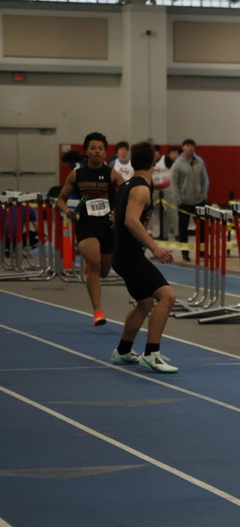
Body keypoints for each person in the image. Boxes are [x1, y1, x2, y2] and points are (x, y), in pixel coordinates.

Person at [109, 141, 178, 373]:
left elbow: (120, 216)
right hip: (129, 256)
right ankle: (151, 353)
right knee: (167, 296)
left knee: (145, 303)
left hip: (123, 254)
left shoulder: (127, 185)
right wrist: (155, 247)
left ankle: (122, 351)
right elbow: (131, 221)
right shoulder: (141, 189)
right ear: (154, 162)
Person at [56, 132, 126, 326]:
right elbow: (60, 199)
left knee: (103, 271)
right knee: (94, 264)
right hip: (86, 225)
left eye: (100, 149)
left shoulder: (112, 174)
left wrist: (119, 212)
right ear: (86, 151)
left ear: (105, 153)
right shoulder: (76, 174)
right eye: (93, 148)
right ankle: (97, 312)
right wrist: (66, 210)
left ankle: (93, 265)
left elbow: (128, 194)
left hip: (108, 226)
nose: (97, 152)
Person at [171, 139, 208, 262]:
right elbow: (174, 183)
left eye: (192, 146)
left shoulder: (199, 163)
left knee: (202, 228)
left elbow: (204, 180)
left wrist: (203, 195)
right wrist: (178, 199)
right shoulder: (178, 164)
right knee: (183, 229)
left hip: (199, 201)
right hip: (184, 202)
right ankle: (185, 253)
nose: (190, 148)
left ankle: (202, 252)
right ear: (183, 147)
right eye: (187, 146)